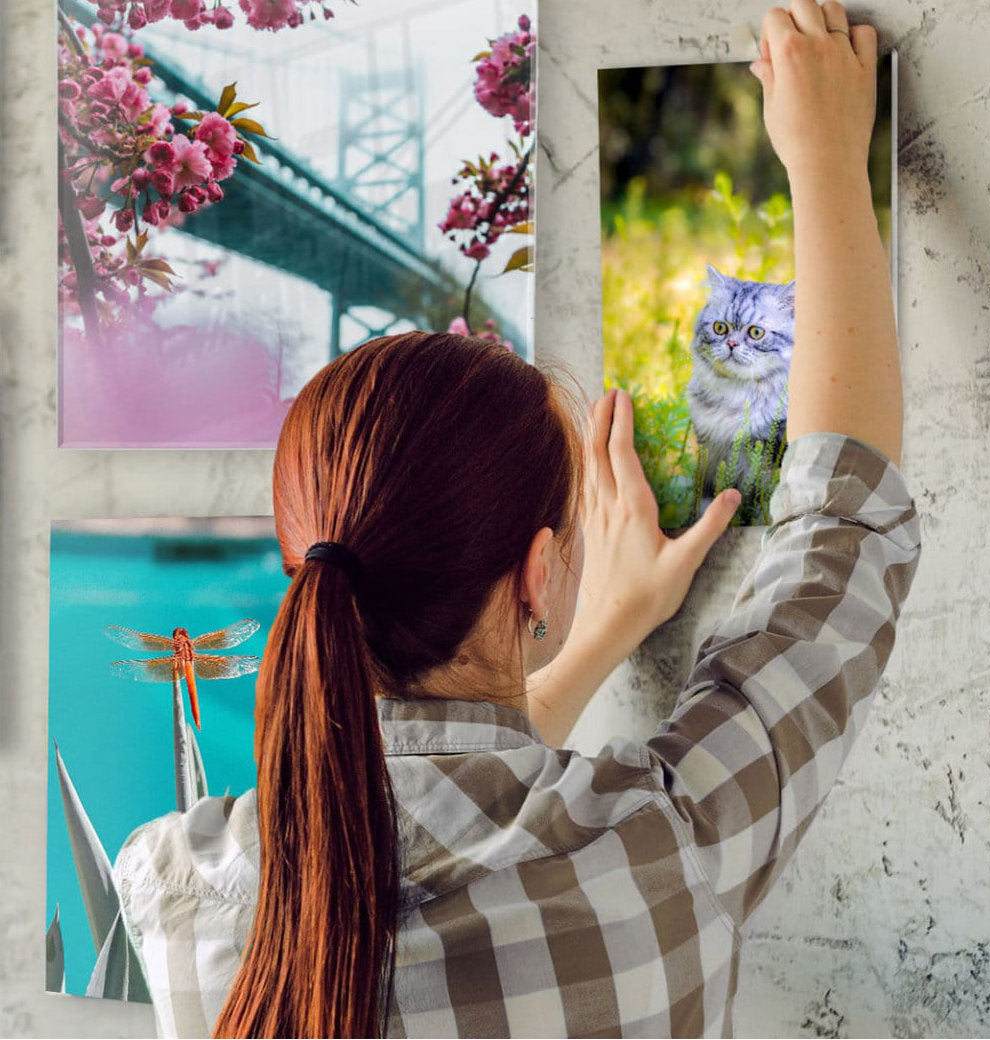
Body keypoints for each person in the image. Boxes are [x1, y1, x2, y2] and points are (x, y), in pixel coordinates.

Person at [113, 1, 921, 1036]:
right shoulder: (656, 844)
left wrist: (598, 631)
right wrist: (823, 162)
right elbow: (840, 531)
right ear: (533, 573)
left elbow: (402, 807)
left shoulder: (176, 882)